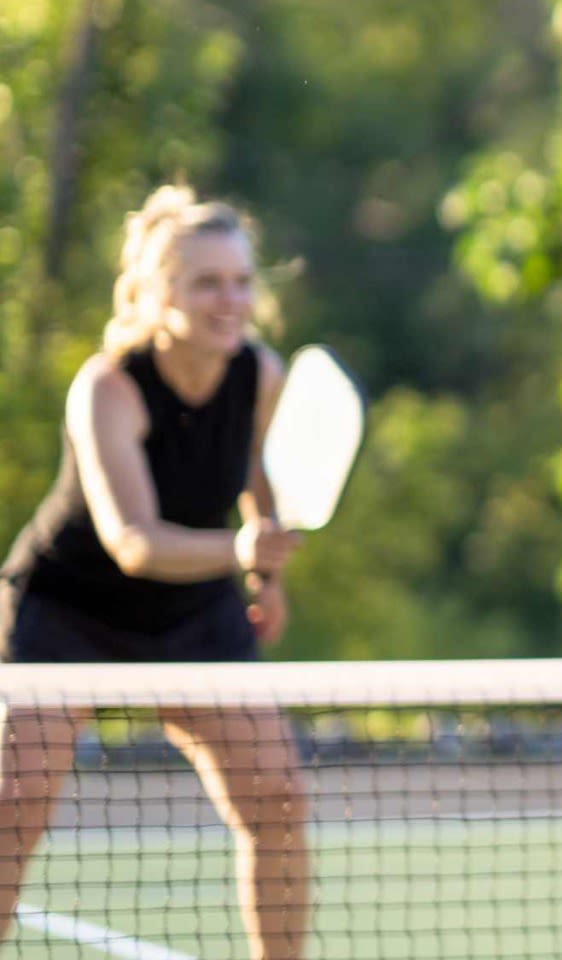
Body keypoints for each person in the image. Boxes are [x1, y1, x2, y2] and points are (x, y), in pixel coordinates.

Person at [0, 185, 309, 957]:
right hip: (67, 614)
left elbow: (256, 476)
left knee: (277, 799)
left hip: (193, 611)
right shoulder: (107, 387)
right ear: (158, 292)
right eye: (207, 283)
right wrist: (243, 553)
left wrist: (267, 581)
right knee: (15, 806)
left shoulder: (260, 374)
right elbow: (134, 541)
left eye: (241, 282)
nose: (230, 301)